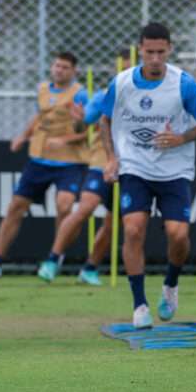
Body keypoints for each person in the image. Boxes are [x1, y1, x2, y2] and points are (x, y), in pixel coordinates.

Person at [99, 22, 196, 329]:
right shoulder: (122, 82)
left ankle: (171, 284)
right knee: (133, 231)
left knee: (179, 236)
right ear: (140, 50)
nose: (154, 58)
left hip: (174, 171)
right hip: (134, 168)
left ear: (169, 50)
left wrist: (180, 138)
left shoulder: (183, 84)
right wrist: (111, 157)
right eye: (148, 52)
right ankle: (139, 305)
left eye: (160, 52)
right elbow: (104, 121)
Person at [0, 52, 90, 278]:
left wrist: (64, 139)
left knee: (64, 205)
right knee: (15, 206)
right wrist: (23, 136)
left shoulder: (81, 94)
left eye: (65, 67)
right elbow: (39, 118)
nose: (59, 70)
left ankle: (55, 257)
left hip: (69, 162)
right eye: (57, 66)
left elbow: (86, 131)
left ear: (74, 72)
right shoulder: (43, 89)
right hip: (39, 160)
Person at [36, 52, 133, 285]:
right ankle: (52, 259)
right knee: (85, 208)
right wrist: (78, 118)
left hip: (132, 165)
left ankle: (90, 268)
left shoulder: (147, 95)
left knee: (113, 223)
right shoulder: (103, 95)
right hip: (101, 161)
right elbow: (84, 122)